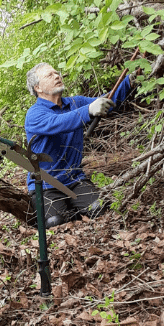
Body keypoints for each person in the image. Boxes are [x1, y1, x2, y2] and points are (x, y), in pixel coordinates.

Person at [24, 63, 133, 229]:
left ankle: (76, 209)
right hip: (46, 186)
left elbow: (108, 101)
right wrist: (88, 110)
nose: (57, 76)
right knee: (55, 223)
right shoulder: (34, 114)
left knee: (100, 209)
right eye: (49, 75)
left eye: (57, 73)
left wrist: (130, 81)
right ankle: (70, 211)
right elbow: (58, 123)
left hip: (74, 180)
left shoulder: (76, 103)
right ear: (37, 87)